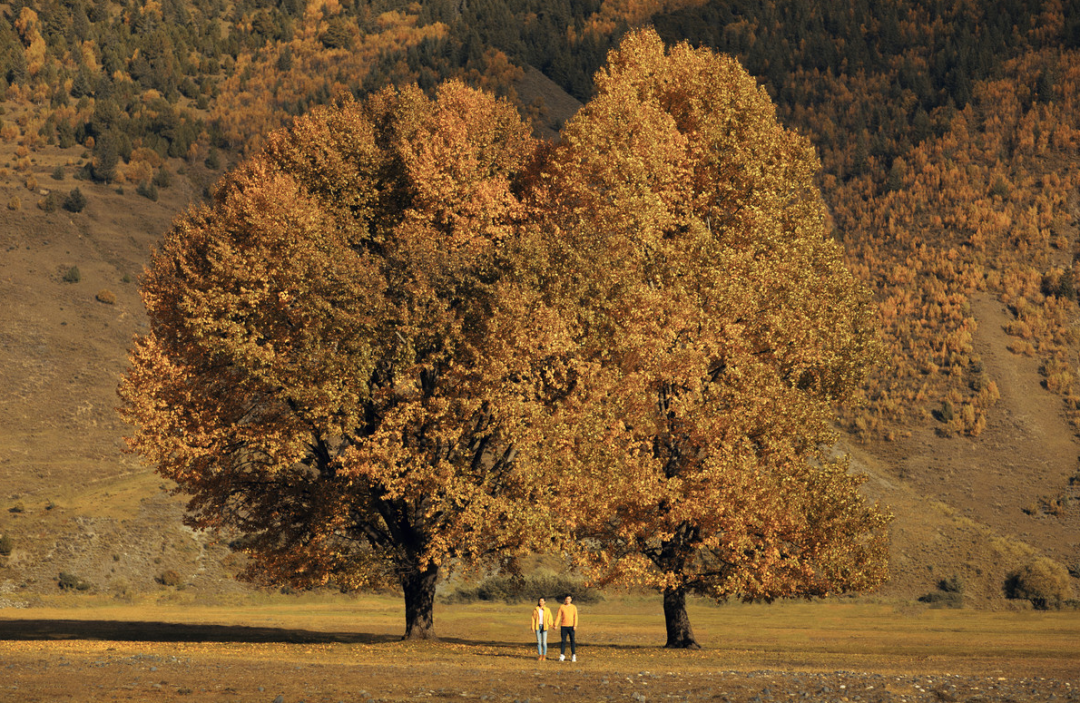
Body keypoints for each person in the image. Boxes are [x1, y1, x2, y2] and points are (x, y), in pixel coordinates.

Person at [554, 594, 579, 662]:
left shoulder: (573, 607)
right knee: (563, 641)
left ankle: (573, 655)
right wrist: (555, 624)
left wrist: (575, 625)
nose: (567, 600)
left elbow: (575, 616)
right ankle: (562, 655)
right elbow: (558, 616)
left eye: (569, 599)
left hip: (571, 626)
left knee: (572, 641)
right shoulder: (562, 607)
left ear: (571, 600)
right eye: (566, 599)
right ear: (565, 600)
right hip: (563, 626)